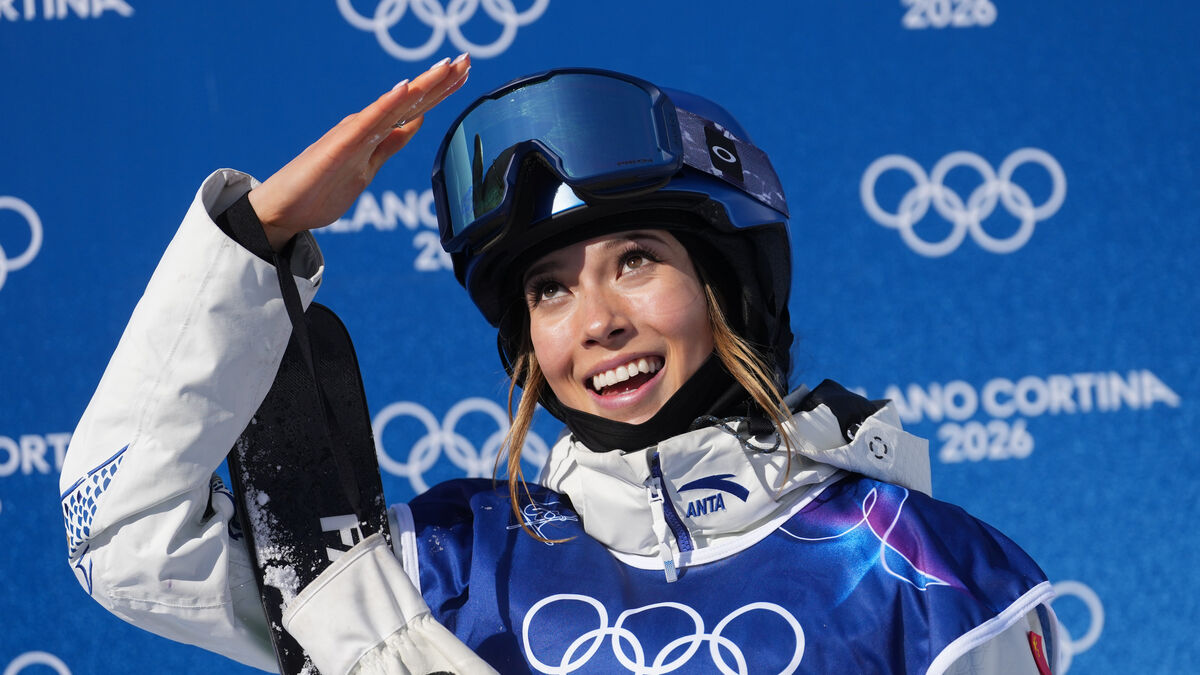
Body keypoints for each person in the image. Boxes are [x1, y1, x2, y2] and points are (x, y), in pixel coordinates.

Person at [60, 56, 1061, 674]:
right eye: (549, 289)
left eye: (636, 262)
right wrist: (255, 239)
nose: (597, 323)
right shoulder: (443, 568)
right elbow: (126, 534)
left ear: (730, 286)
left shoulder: (926, 574)